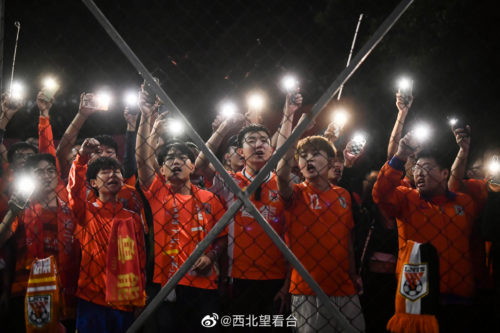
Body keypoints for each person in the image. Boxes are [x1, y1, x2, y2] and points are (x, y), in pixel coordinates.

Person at [195, 97, 299, 330]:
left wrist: (289, 113)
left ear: (272, 149)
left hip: (277, 278)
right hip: (238, 277)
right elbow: (201, 166)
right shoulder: (230, 181)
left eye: (264, 140)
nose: (259, 144)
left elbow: (294, 236)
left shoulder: (286, 184)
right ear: (241, 152)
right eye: (251, 141)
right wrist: (223, 128)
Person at [136, 90, 227, 332]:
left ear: (192, 166)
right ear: (162, 170)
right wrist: (146, 119)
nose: (176, 162)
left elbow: (222, 236)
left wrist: (211, 257)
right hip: (166, 286)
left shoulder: (210, 198)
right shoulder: (157, 192)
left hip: (204, 286)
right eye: (169, 159)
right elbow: (142, 160)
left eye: (183, 158)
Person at [276, 93, 365, 332]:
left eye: (316, 154)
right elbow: (282, 173)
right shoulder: (296, 193)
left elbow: (347, 239)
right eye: (303, 156)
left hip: (344, 287)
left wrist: (354, 273)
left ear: (330, 160)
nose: (308, 159)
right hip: (307, 289)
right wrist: (297, 131)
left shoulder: (343, 195)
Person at [373, 132, 479, 332]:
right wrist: (400, 155)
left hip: (460, 295)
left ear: (444, 173)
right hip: (417, 297)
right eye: (417, 169)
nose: (419, 173)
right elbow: (381, 193)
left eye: (427, 168)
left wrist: (463, 151)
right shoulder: (407, 199)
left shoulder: (463, 203)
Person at [68, 140, 146, 333]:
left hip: (125, 300)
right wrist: (82, 157)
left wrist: (140, 296)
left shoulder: (133, 218)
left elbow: (140, 261)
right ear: (93, 183)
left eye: (116, 171)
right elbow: (74, 190)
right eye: (104, 172)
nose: (112, 174)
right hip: (92, 298)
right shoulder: (85, 212)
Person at [0, 153, 79, 332]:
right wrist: (11, 212)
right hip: (26, 289)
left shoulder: (71, 211)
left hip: (64, 292)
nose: (47, 176)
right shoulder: (21, 210)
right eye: (39, 172)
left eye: (51, 171)